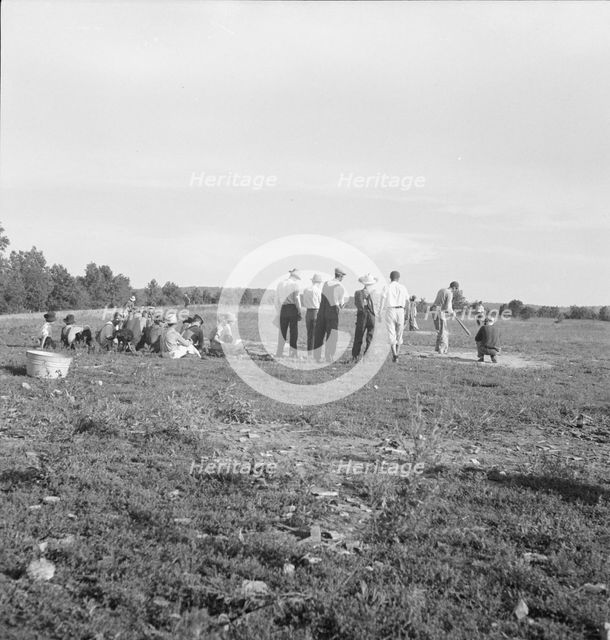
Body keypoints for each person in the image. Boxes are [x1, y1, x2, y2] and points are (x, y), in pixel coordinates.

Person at [313, 267, 347, 363]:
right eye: (343, 276)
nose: (343, 278)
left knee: (319, 333)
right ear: (340, 276)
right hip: (332, 310)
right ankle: (329, 356)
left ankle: (317, 356)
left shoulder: (325, 283)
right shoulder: (340, 286)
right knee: (332, 335)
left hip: (322, 309)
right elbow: (341, 303)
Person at [381, 271, 409, 363]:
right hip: (401, 310)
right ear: (398, 278)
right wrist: (407, 314)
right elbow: (407, 301)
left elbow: (382, 299)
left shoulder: (387, 287)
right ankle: (397, 353)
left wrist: (380, 311)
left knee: (391, 332)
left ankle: (395, 354)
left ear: (390, 277)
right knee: (399, 332)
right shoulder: (403, 287)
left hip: (390, 310)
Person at [275, 268, 303, 358]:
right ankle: (293, 353)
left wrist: (279, 310)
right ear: (295, 277)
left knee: (282, 332)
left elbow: (276, 299)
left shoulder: (280, 283)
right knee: (293, 332)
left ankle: (279, 352)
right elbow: (297, 299)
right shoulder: (295, 285)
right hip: (292, 308)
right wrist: (299, 311)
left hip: (283, 308)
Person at [351, 273, 377, 361]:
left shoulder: (358, 293)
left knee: (359, 335)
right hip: (372, 315)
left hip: (362, 315)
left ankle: (355, 355)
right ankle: (367, 356)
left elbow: (358, 305)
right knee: (370, 337)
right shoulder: (375, 293)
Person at [431, 281, 460, 354]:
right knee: (444, 331)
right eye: (456, 289)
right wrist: (452, 313)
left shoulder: (441, 290)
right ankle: (442, 349)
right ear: (454, 288)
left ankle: (437, 348)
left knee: (439, 330)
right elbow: (448, 307)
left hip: (434, 310)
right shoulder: (449, 293)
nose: (456, 291)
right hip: (440, 311)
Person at [301, 273, 323, 355]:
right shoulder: (318, 291)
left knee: (309, 334)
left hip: (308, 312)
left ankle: (309, 352)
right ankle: (314, 353)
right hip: (315, 312)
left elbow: (304, 302)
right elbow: (320, 302)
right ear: (319, 282)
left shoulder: (306, 290)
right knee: (315, 334)